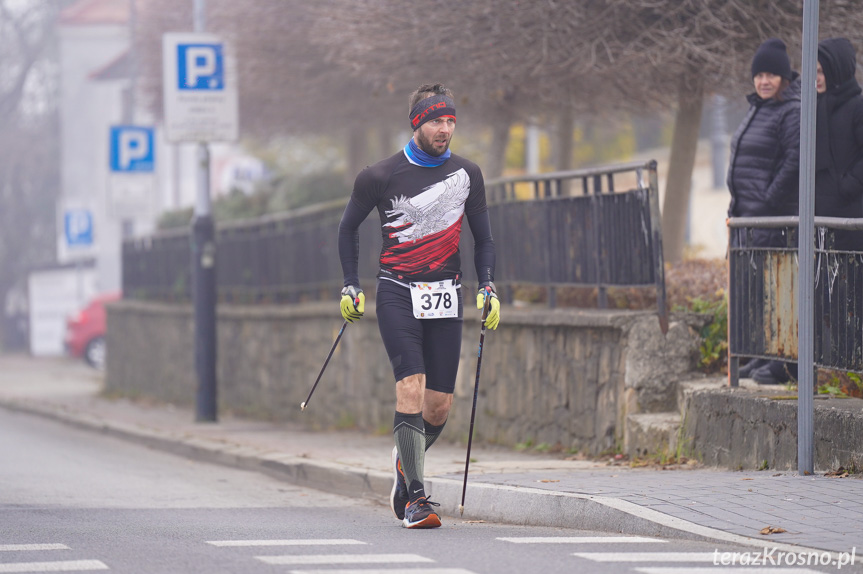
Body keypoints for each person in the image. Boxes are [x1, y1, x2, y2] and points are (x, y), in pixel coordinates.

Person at [337, 83, 500, 529]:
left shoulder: (468, 174)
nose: (444, 129)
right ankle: (415, 500)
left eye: (450, 121)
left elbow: (483, 239)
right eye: (435, 121)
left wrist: (488, 286)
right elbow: (347, 229)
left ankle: (403, 462)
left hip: (446, 294)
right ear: (417, 124)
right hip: (397, 291)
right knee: (410, 385)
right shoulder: (380, 176)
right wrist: (351, 286)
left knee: (438, 407)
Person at [726, 38, 801, 384]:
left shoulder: (792, 110)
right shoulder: (758, 108)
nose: (764, 81)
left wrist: (769, 200)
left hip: (770, 217)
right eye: (759, 75)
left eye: (771, 74)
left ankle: (776, 360)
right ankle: (758, 355)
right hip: (747, 216)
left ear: (784, 78)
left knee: (773, 292)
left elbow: (793, 160)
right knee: (753, 291)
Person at [814, 38, 863, 251]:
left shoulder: (857, 107)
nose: (816, 78)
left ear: (838, 70)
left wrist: (849, 184)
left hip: (850, 217)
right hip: (821, 218)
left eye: (821, 71)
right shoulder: (815, 106)